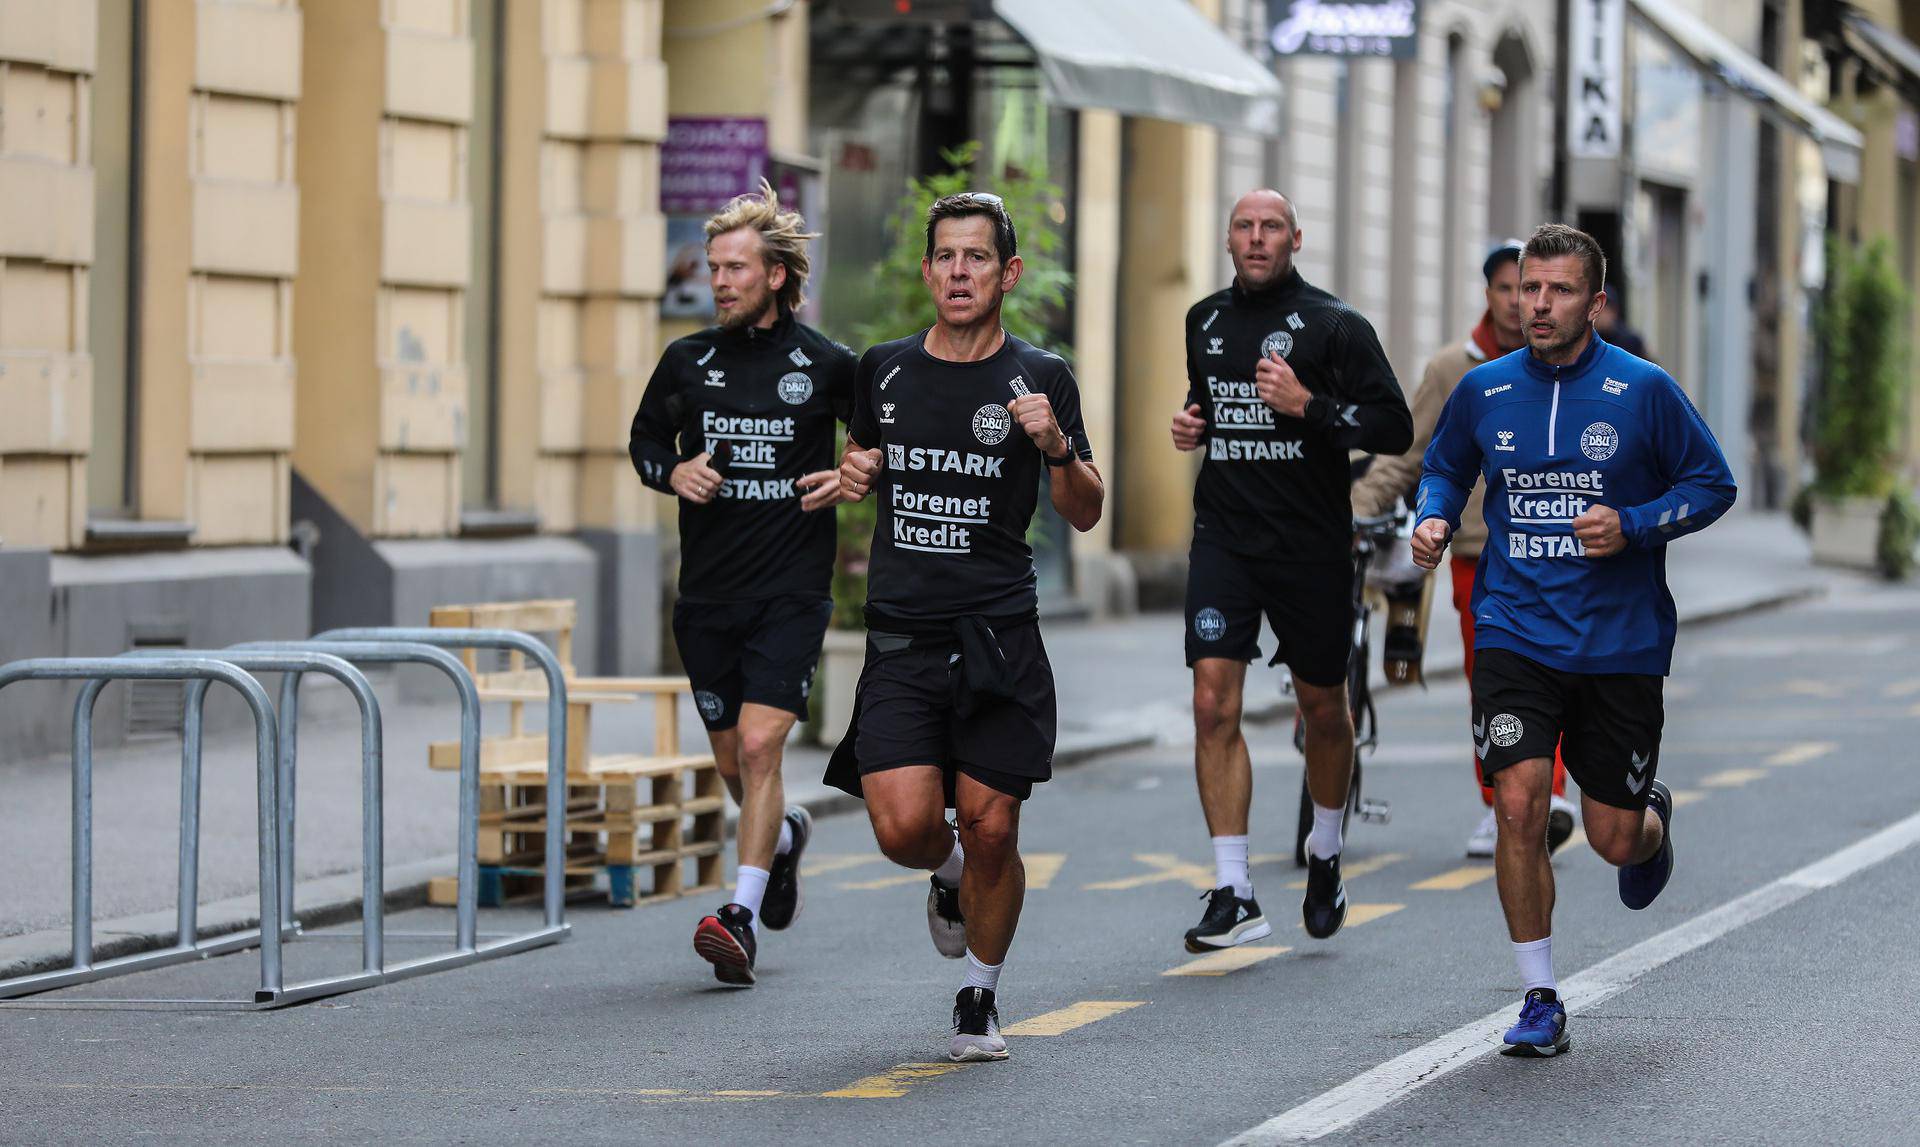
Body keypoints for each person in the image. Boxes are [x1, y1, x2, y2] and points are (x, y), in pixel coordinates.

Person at [1411, 223, 1736, 1057]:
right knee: (1518, 803)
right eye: (1528, 288)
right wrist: (1436, 515)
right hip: (1515, 627)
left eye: (1557, 290)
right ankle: (1539, 994)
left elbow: (1712, 483)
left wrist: (1632, 524)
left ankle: (1649, 819)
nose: (1538, 304)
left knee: (1612, 837)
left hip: (1619, 642)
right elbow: (1447, 464)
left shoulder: (1645, 389)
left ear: (1595, 301)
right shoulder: (1484, 389)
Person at [830, 191, 1104, 1063]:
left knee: (994, 827)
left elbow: (1088, 510)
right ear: (927, 271)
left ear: (1007, 273)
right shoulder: (884, 369)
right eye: (945, 256)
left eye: (976, 257)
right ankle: (947, 880)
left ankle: (979, 995)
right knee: (904, 828)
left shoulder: (1041, 377)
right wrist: (855, 472)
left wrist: (1057, 446)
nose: (958, 271)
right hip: (905, 636)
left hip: (997, 635)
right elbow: (862, 464)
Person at [1169, 190, 1412, 953]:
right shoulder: (1203, 319)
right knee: (1212, 702)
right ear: (1228, 237)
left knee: (1323, 708)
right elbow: (1208, 403)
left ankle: (1327, 851)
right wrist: (1192, 421)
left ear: (1295, 238)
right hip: (1225, 539)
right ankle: (1235, 888)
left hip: (1309, 543)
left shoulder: (1335, 324)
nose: (1256, 237)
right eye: (1243, 225)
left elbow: (1394, 425)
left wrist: (1310, 404)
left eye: (1271, 226)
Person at [629, 181, 855, 986]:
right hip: (708, 598)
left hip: (791, 591)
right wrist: (674, 471)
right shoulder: (686, 360)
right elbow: (646, 441)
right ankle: (784, 834)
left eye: (735, 267)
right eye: (716, 266)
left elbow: (885, 438)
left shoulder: (827, 363)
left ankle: (739, 916)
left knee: (762, 746)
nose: (719, 280)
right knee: (735, 764)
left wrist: (856, 471)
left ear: (777, 276)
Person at [1352, 240, 1579, 858]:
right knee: (1495, 681)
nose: (1519, 301)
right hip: (1481, 553)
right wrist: (1360, 508)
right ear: (1490, 295)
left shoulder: (1571, 362)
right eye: (1507, 289)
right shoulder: (1455, 368)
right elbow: (1409, 453)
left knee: (1557, 672)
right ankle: (1504, 802)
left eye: (1530, 287)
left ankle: (1549, 794)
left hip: (1563, 551)